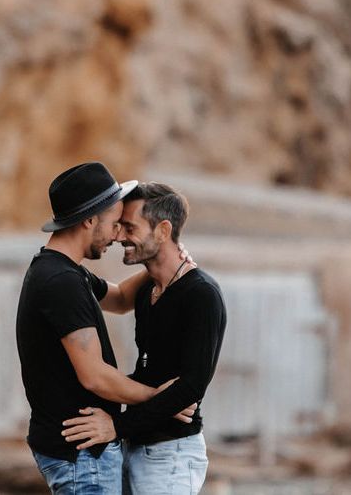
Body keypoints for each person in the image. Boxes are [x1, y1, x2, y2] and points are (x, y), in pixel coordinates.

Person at [16, 163, 196, 494]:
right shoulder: (61, 283)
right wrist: (161, 398)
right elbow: (94, 375)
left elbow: (122, 298)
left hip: (79, 452)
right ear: (89, 220)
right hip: (82, 455)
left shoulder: (64, 272)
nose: (117, 235)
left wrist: (164, 256)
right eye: (114, 224)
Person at [60, 182, 227, 495]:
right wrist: (61, 264)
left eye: (130, 227)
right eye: (119, 226)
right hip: (136, 447)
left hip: (172, 454)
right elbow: (111, 295)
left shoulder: (202, 295)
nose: (120, 236)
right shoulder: (148, 289)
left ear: (163, 231)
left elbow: (191, 387)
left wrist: (115, 426)